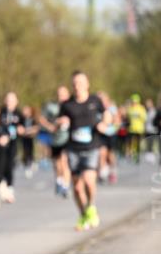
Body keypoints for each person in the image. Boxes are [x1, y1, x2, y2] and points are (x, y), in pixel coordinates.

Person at [56, 71, 111, 231]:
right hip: (73, 148)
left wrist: (105, 124)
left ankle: (91, 207)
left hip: (91, 147)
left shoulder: (95, 100)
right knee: (78, 188)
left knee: (88, 180)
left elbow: (107, 114)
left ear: (87, 84)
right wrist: (62, 122)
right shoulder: (67, 105)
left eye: (80, 83)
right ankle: (83, 215)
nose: (77, 86)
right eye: (74, 83)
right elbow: (60, 120)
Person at [40, 86, 71, 198]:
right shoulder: (51, 107)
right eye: (59, 94)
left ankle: (66, 186)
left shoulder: (71, 106)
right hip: (55, 139)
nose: (61, 96)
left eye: (63, 94)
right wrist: (50, 126)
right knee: (57, 163)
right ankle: (59, 181)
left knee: (64, 161)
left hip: (68, 138)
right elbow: (41, 119)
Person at [0, 92, 24, 203]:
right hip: (1, 144)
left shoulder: (19, 114)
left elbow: (22, 127)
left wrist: (21, 130)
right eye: (8, 100)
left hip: (13, 143)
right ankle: (2, 184)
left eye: (12, 100)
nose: (9, 103)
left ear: (16, 102)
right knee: (1, 166)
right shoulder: (1, 112)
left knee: (10, 165)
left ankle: (10, 189)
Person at [126, 94, 147, 164]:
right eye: (133, 101)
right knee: (131, 143)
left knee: (138, 144)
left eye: (135, 102)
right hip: (131, 129)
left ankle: (137, 156)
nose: (134, 103)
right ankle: (132, 154)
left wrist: (139, 116)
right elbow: (128, 118)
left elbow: (145, 118)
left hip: (139, 129)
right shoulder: (130, 109)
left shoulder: (141, 108)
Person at [20, 104, 38, 178]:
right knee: (25, 151)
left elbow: (36, 128)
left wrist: (29, 131)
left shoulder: (33, 119)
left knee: (31, 150)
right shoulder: (22, 119)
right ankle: (27, 166)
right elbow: (20, 128)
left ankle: (32, 162)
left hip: (31, 138)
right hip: (24, 138)